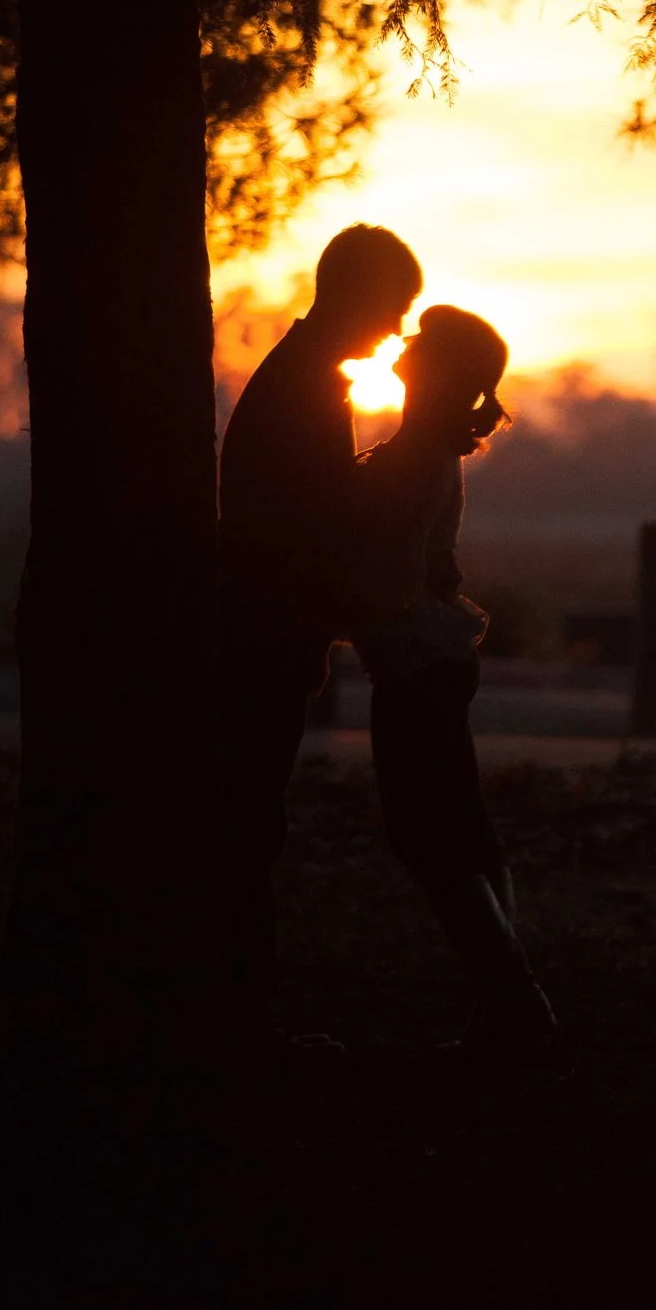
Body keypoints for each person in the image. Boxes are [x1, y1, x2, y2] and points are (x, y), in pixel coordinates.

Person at [211, 224, 421, 1063]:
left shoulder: (301, 384)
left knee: (248, 823)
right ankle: (240, 1027)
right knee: (248, 828)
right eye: (395, 307)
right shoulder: (305, 395)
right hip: (265, 640)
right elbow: (319, 528)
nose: (398, 328)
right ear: (359, 295)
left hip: (267, 635)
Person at [349, 306, 558, 1053]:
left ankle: (514, 996)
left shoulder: (414, 463)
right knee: (460, 830)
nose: (402, 345)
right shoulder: (423, 453)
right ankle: (510, 995)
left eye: (420, 342)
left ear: (434, 369)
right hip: (432, 661)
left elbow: (389, 583)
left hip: (416, 666)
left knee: (427, 835)